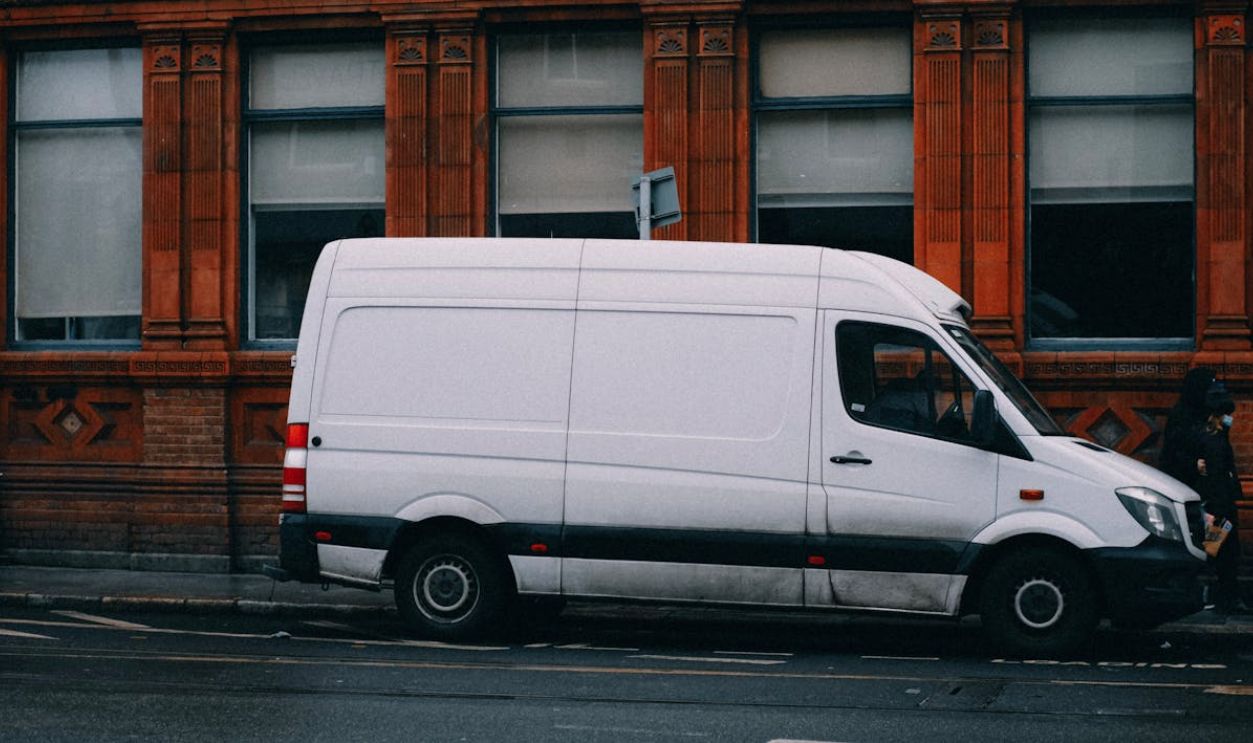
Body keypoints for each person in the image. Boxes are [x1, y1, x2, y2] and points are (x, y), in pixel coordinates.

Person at [1160, 368, 1248, 613]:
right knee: (1207, 546)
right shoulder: (1183, 417)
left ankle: (1225, 594)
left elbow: (1223, 450)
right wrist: (1192, 464)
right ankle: (1207, 593)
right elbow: (1169, 457)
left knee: (1225, 546)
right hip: (1199, 496)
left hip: (1220, 495)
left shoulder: (1215, 415)